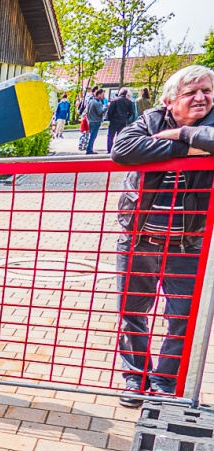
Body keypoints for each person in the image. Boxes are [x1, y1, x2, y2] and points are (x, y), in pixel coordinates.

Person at [111, 65, 214, 406]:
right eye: (191, 93)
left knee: (182, 318)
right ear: (170, 101)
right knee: (132, 313)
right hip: (139, 238)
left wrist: (179, 136)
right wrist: (192, 149)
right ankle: (135, 380)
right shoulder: (151, 119)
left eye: (207, 91)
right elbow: (123, 150)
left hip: (188, 242)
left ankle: (165, 383)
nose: (202, 98)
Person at [106, 88, 136, 152]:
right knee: (120, 136)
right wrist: (126, 117)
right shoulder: (129, 102)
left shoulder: (114, 100)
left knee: (110, 136)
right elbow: (131, 112)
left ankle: (109, 149)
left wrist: (110, 118)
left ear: (120, 93)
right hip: (123, 120)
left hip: (114, 120)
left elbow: (110, 111)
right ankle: (119, 149)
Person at [85, 88, 107, 154]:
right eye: (103, 94)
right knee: (93, 136)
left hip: (91, 121)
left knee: (91, 136)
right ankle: (89, 150)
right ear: (99, 94)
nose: (104, 96)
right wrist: (106, 107)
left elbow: (87, 111)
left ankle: (89, 148)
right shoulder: (98, 103)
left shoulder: (91, 101)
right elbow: (100, 112)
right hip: (96, 121)